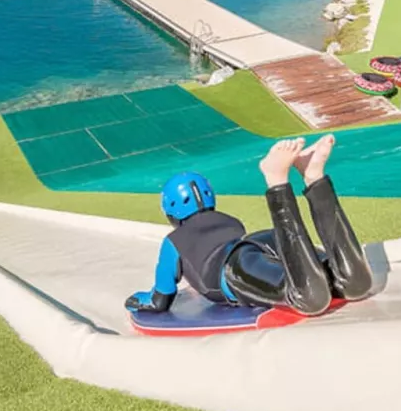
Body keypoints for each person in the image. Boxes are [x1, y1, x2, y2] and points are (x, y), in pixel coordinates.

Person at [125, 135, 373, 317]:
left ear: (170, 210)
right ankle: (313, 176)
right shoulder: (230, 222)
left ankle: (276, 179)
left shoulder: (174, 241)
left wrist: (139, 300)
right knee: (353, 283)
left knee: (309, 297)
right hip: (262, 245)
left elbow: (160, 298)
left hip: (237, 266)